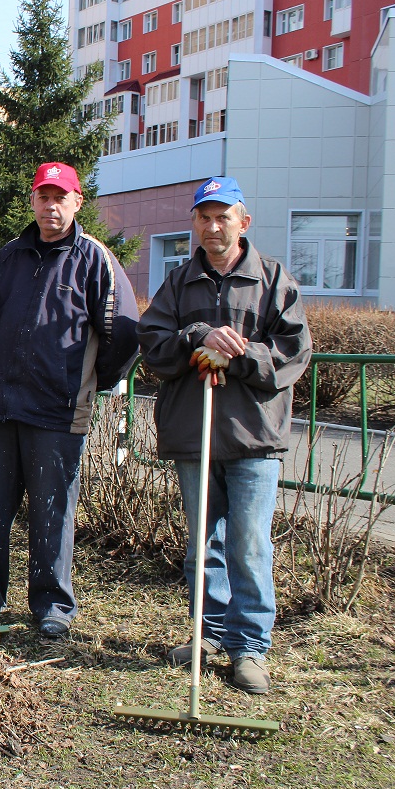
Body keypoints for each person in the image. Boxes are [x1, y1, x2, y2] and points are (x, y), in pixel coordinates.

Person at [139, 176, 311, 694]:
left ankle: (249, 646)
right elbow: (153, 345)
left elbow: (294, 353)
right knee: (201, 544)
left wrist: (238, 355)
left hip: (253, 435)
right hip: (194, 433)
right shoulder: (179, 283)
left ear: (244, 222)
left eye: (223, 217)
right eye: (203, 217)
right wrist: (196, 336)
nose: (213, 227)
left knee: (250, 545)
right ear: (193, 222)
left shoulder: (273, 279)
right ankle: (207, 633)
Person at [0, 162, 139, 638]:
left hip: (58, 409)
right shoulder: (10, 257)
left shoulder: (96, 259)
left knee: (52, 510)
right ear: (32, 200)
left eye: (61, 197)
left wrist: (89, 382)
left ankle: (52, 605)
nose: (51, 205)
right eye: (43, 196)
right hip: (2, 404)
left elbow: (123, 333)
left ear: (78, 202)